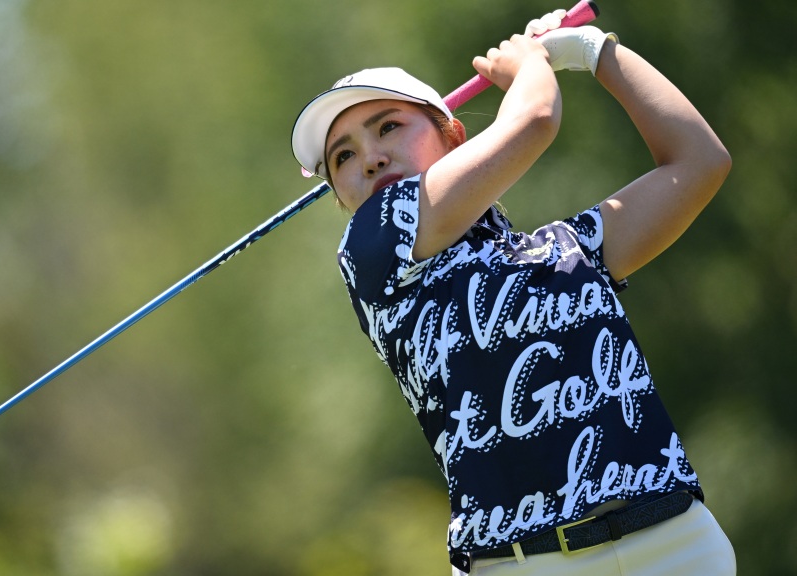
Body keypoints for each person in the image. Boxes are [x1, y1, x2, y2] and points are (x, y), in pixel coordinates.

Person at [290, 13, 735, 576]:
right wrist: (528, 67)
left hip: (673, 542)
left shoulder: (568, 251)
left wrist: (593, 51)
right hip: (523, 564)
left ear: (453, 134)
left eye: (388, 127)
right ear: (342, 197)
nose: (371, 157)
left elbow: (700, 162)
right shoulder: (372, 248)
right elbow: (536, 118)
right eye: (343, 157)